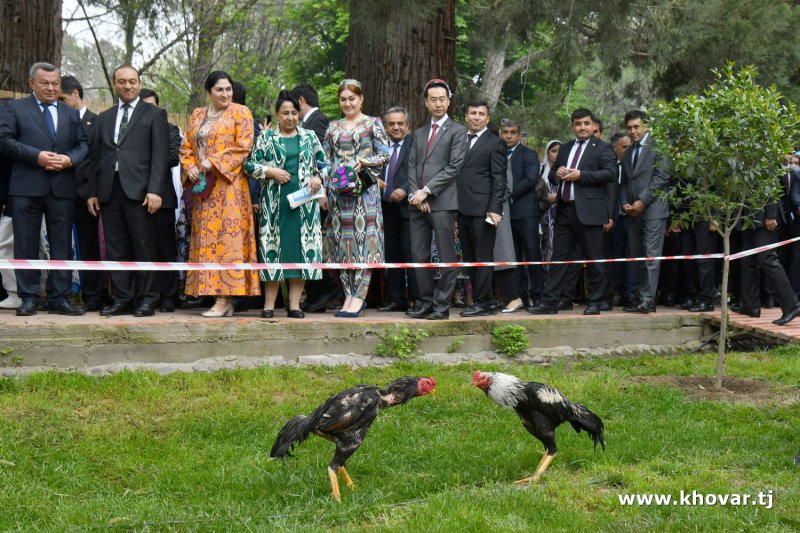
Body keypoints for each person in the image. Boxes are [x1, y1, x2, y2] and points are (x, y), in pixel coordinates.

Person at [0, 62, 89, 316]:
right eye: (45, 83)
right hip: (26, 187)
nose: (51, 88)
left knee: (62, 244)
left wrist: (69, 159)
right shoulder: (15, 108)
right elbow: (5, 140)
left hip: (62, 188)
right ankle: (28, 297)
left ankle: (59, 297)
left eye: (55, 83)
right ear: (31, 84)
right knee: (25, 244)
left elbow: (83, 145)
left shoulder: (71, 113)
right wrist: (37, 156)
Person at [89, 65, 169, 317]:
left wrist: (155, 190)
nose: (128, 86)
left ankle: (147, 299)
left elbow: (160, 156)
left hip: (142, 193)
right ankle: (123, 297)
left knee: (144, 246)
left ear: (139, 83)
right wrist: (93, 192)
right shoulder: (104, 118)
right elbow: (96, 157)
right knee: (116, 247)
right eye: (122, 81)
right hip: (109, 191)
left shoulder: (155, 115)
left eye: (132, 81)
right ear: (114, 84)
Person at [180, 70, 260, 317]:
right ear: (209, 92)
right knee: (205, 241)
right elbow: (186, 146)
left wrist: (213, 162)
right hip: (204, 189)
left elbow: (244, 146)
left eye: (228, 89)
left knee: (227, 241)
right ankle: (213, 294)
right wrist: (191, 167)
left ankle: (225, 298)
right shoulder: (197, 115)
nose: (225, 94)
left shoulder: (240, 112)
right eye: (219, 90)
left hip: (229, 187)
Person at [244, 90, 328, 319]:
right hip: (274, 205)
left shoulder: (310, 136)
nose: (290, 117)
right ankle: (269, 305)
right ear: (277, 115)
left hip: (304, 206)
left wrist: (318, 177)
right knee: (273, 252)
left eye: (293, 113)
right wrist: (270, 171)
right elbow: (248, 166)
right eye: (285, 113)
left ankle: (295, 305)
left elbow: (325, 164)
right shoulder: (266, 137)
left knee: (300, 253)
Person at [528, 108, 616, 316]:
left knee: (594, 258)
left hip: (590, 212)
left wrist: (581, 175)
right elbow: (552, 176)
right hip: (565, 210)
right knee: (558, 258)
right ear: (572, 126)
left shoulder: (603, 148)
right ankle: (549, 302)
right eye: (578, 124)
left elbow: (610, 173)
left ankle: (595, 302)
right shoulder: (566, 148)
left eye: (586, 123)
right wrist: (557, 174)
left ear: (593, 125)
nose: (582, 127)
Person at [322, 79, 390, 317]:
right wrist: (326, 186)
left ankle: (359, 297)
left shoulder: (372, 123)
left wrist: (364, 162)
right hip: (339, 196)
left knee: (365, 245)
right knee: (344, 246)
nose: (348, 103)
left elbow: (385, 154)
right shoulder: (332, 127)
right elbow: (324, 160)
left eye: (352, 98)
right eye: (343, 99)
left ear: (361, 99)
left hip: (364, 194)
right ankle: (348, 295)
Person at [406, 79, 468, 321]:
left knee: (446, 256)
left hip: (443, 202)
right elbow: (412, 166)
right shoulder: (419, 133)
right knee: (418, 255)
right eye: (433, 99)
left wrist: (427, 191)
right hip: (417, 203)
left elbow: (454, 167)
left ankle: (441, 305)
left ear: (449, 101)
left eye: (442, 99)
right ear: (426, 103)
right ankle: (424, 302)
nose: (438, 103)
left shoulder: (458, 131)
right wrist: (416, 194)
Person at [59, 75, 106, 311]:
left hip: (87, 197)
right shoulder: (57, 121)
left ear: (76, 93)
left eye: (62, 98)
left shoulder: (97, 123)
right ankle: (60, 294)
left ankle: (94, 296)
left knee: (89, 247)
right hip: (59, 194)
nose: (58, 103)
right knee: (59, 247)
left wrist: (92, 193)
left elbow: (99, 161)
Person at [455, 100, 506, 317]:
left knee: (482, 257)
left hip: (484, 210)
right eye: (473, 113)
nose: (476, 117)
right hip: (461, 208)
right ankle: (481, 300)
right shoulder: (459, 139)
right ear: (466, 116)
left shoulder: (495, 143)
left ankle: (484, 302)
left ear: (487, 118)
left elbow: (499, 179)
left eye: (481, 114)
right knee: (469, 258)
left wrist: (495, 208)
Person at [292, 84, 340, 313]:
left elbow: (321, 160)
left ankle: (326, 289)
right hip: (302, 195)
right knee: (305, 245)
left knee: (311, 245)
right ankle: (315, 293)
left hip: (315, 194)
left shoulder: (318, 121)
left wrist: (323, 193)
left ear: (301, 101)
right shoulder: (308, 123)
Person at [620, 110, 670, 314]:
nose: (633, 131)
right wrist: (625, 203)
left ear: (646, 126)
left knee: (651, 257)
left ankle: (648, 300)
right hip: (633, 213)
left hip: (653, 211)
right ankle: (641, 298)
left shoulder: (659, 146)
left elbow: (662, 177)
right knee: (637, 257)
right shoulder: (628, 152)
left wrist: (642, 201)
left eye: (637, 127)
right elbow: (625, 182)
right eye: (629, 128)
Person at [139, 88, 181, 312]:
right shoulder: (131, 131)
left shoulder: (170, 129)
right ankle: (146, 295)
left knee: (166, 249)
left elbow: (173, 157)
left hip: (163, 198)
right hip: (135, 197)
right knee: (143, 249)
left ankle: (169, 296)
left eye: (152, 105)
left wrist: (140, 158)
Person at [377, 106, 416, 312]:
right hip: (385, 208)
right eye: (391, 124)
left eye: (400, 123)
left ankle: (417, 300)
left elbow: (421, 171)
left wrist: (405, 189)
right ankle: (396, 299)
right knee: (391, 255)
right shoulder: (380, 147)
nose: (396, 127)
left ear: (407, 126)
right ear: (385, 127)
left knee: (411, 253)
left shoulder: (415, 145)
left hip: (409, 209)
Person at [502, 119, 541, 309]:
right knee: (513, 257)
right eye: (505, 132)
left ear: (519, 135)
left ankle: (538, 296)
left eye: (513, 132)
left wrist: (508, 195)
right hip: (505, 215)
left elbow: (531, 179)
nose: (509, 136)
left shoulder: (529, 154)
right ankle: (519, 297)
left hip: (525, 213)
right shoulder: (498, 153)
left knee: (532, 253)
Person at [536, 140, 561, 269]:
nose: (557, 154)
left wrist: (559, 195)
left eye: (560, 151)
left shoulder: (568, 170)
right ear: (547, 153)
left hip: (562, 213)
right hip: (543, 214)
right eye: (553, 151)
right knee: (544, 244)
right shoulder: (540, 170)